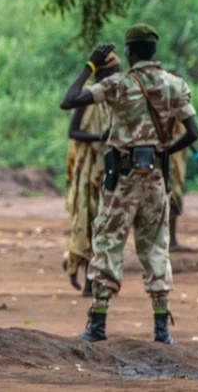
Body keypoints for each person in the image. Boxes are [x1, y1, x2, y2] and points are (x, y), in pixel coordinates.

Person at [60, 23, 198, 345]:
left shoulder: (118, 84)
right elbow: (193, 133)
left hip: (121, 179)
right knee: (156, 247)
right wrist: (164, 151)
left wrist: (90, 65)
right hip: (155, 179)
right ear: (153, 51)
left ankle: (97, 325)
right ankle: (162, 328)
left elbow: (70, 101)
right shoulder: (175, 85)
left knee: (108, 243)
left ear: (129, 52)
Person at [62, 51, 122, 297]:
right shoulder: (89, 95)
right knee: (89, 219)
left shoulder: (118, 96)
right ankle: (88, 278)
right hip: (89, 170)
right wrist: (99, 138)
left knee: (104, 222)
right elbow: (73, 131)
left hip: (109, 168)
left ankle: (89, 272)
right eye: (114, 72)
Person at [166, 70, 198, 251]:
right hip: (167, 155)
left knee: (175, 195)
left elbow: (187, 133)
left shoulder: (178, 103)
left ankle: (171, 239)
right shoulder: (162, 103)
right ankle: (169, 240)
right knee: (169, 196)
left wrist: (197, 154)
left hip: (176, 157)